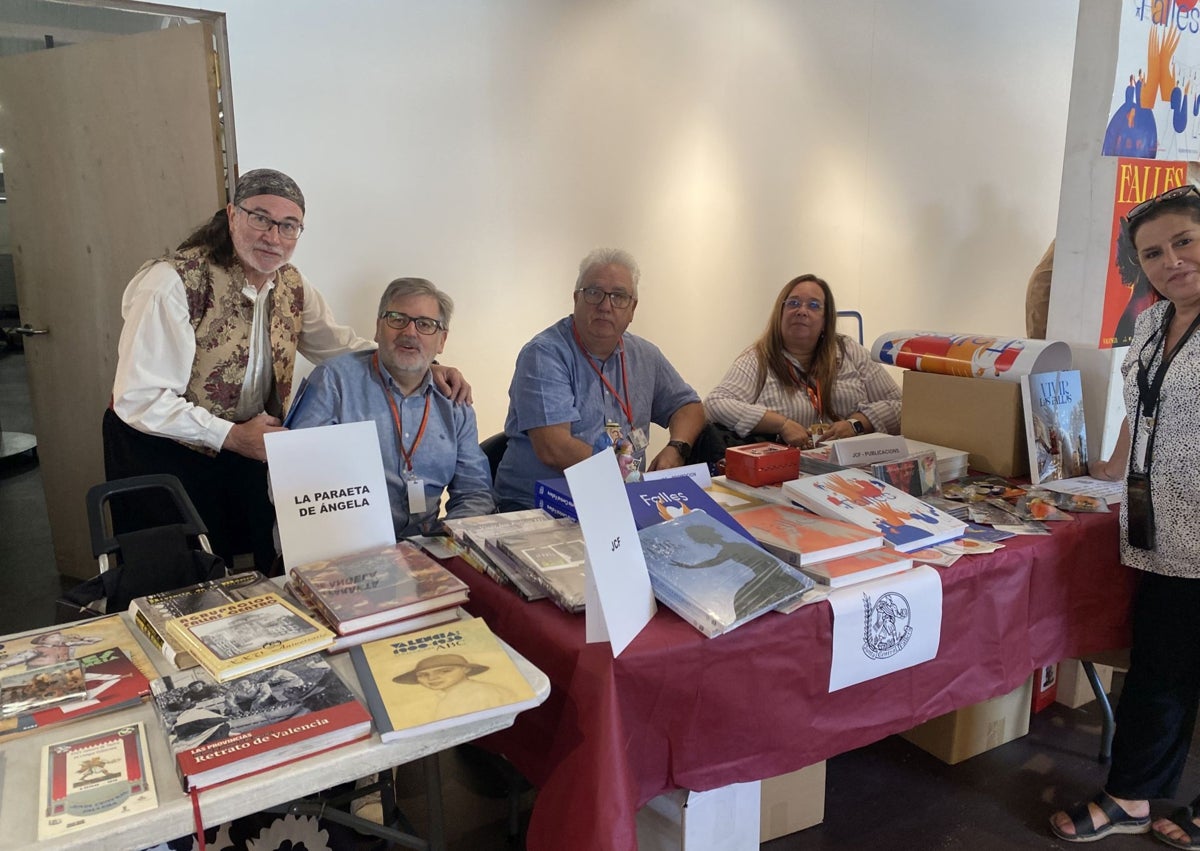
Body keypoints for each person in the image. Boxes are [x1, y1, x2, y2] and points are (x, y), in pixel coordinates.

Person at [104, 168, 469, 572]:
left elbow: (338, 345)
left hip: (245, 443)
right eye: (260, 218)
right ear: (232, 215)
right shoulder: (172, 282)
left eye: (288, 226)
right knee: (172, 574)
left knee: (240, 568)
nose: (273, 236)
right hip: (163, 448)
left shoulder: (291, 284)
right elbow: (139, 398)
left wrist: (421, 364)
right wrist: (234, 437)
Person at [1049, 184, 1200, 846]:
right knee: (1161, 666)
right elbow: (1141, 414)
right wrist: (1100, 468)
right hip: (1163, 533)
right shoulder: (1149, 324)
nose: (1172, 261)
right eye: (1154, 252)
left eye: (1184, 241)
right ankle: (1132, 795)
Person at [493, 248, 705, 509]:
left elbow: (688, 406)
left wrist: (677, 447)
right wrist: (627, 478)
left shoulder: (645, 355)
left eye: (619, 296)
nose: (606, 306)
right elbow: (553, 448)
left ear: (633, 308)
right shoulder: (544, 354)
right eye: (594, 293)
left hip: (620, 501)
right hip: (542, 507)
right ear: (576, 299)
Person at [288, 277, 494, 537]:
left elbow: (474, 491)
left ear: (442, 340)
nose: (410, 332)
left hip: (427, 546)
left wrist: (450, 542)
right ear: (377, 328)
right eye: (397, 319)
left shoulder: (453, 401)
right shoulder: (334, 382)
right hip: (348, 545)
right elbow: (296, 482)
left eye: (425, 325)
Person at [704, 274, 901, 449]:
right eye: (793, 303)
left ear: (825, 320)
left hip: (851, 466)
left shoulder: (848, 351)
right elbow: (715, 404)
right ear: (780, 314)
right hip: (785, 472)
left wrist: (856, 424)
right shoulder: (759, 359)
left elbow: (900, 405)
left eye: (814, 305)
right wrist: (781, 424)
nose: (802, 311)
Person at [393, 653, 518, 722]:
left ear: (466, 669)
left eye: (445, 671)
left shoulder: (476, 694)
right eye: (424, 675)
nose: (432, 678)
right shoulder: (453, 694)